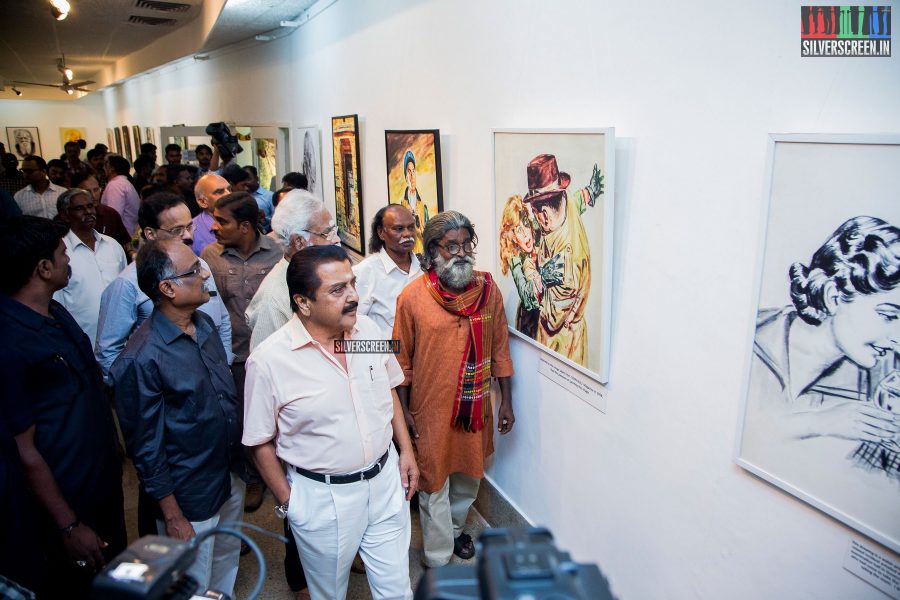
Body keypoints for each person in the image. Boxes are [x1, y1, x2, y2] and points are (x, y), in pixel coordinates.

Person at [243, 245, 419, 600]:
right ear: (303, 303)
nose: (354, 296)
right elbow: (258, 441)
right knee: (329, 593)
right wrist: (289, 503)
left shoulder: (368, 330)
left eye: (352, 284)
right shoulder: (269, 361)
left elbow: (388, 386)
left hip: (385, 484)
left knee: (398, 590)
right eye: (338, 290)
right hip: (323, 499)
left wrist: (407, 452)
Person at [0, 216, 126, 599]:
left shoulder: (56, 313)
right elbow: (25, 451)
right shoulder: (9, 342)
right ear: (43, 268)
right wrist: (68, 525)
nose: (69, 261)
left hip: (99, 485)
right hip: (65, 505)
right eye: (62, 254)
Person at [110, 240, 245, 598]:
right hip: (190, 493)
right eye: (194, 272)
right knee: (192, 580)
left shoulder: (203, 325)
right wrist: (172, 514)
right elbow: (146, 448)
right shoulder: (140, 359)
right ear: (167, 288)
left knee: (227, 555)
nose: (205, 276)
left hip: (228, 471)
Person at [393, 211, 515, 568]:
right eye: (451, 246)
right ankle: (436, 554)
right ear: (432, 252)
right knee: (433, 481)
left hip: (476, 406)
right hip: (429, 410)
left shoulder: (488, 289)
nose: (461, 252)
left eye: (466, 244)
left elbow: (500, 348)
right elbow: (401, 364)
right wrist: (403, 416)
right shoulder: (412, 297)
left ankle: (458, 527)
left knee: (469, 475)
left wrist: (506, 401)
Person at [746, 216, 900, 475]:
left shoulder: (888, 380)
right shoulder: (753, 334)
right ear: (833, 295)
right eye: (888, 316)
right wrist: (817, 422)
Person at [95, 192, 233, 381]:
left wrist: (223, 367)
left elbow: (222, 321)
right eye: (177, 230)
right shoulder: (126, 284)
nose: (188, 236)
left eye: (190, 226)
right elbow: (108, 352)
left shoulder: (201, 266)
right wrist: (147, 389)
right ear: (150, 233)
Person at [201, 192, 281, 511]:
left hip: (274, 353)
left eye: (222, 221)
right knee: (245, 420)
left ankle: (282, 474)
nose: (214, 227)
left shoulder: (277, 252)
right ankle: (252, 478)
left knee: (278, 416)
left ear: (245, 226)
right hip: (235, 356)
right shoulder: (210, 256)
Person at [523, 154, 603, 368]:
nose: (534, 218)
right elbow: (576, 201)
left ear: (545, 214)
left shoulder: (564, 263)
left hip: (562, 346)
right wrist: (589, 192)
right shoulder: (565, 208)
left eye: (535, 213)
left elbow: (550, 318)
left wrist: (536, 277)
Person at [247, 189, 339, 352]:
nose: (336, 240)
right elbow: (265, 367)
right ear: (299, 241)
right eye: (327, 233)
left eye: (335, 231)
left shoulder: (317, 275)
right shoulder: (273, 300)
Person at [52, 189, 127, 347]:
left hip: (122, 341)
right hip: (83, 343)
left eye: (90, 206)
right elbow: (57, 305)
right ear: (65, 215)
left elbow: (127, 291)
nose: (88, 212)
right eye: (79, 208)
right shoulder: (59, 253)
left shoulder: (113, 246)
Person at [353, 204, 422, 338]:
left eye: (411, 227)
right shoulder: (364, 273)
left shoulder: (424, 268)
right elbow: (353, 326)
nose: (407, 234)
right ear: (381, 233)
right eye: (398, 229)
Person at [498, 194, 540, 338]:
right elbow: (526, 296)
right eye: (518, 230)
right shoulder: (515, 258)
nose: (526, 236)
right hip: (530, 323)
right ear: (513, 236)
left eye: (526, 225)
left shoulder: (537, 234)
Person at [70, 171, 133, 257]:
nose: (93, 195)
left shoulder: (110, 214)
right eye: (87, 191)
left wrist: (132, 253)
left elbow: (126, 243)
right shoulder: (67, 217)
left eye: (96, 190)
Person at [192, 173, 232, 255]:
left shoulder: (242, 221)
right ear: (202, 202)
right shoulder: (192, 232)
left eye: (230, 189)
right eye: (220, 192)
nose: (229, 194)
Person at [101, 154, 140, 235]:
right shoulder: (122, 183)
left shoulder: (116, 184)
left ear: (111, 168)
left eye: (106, 164)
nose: (103, 168)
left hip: (123, 236)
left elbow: (114, 215)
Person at [399, 150, 429, 253]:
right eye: (409, 172)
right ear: (405, 176)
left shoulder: (422, 206)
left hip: (422, 254)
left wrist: (420, 224)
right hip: (407, 255)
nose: (412, 176)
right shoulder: (401, 206)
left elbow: (428, 235)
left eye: (413, 171)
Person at [244, 165, 274, 231]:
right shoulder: (241, 197)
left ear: (257, 178)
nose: (246, 182)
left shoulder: (270, 196)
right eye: (243, 180)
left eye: (248, 179)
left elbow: (277, 220)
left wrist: (264, 220)